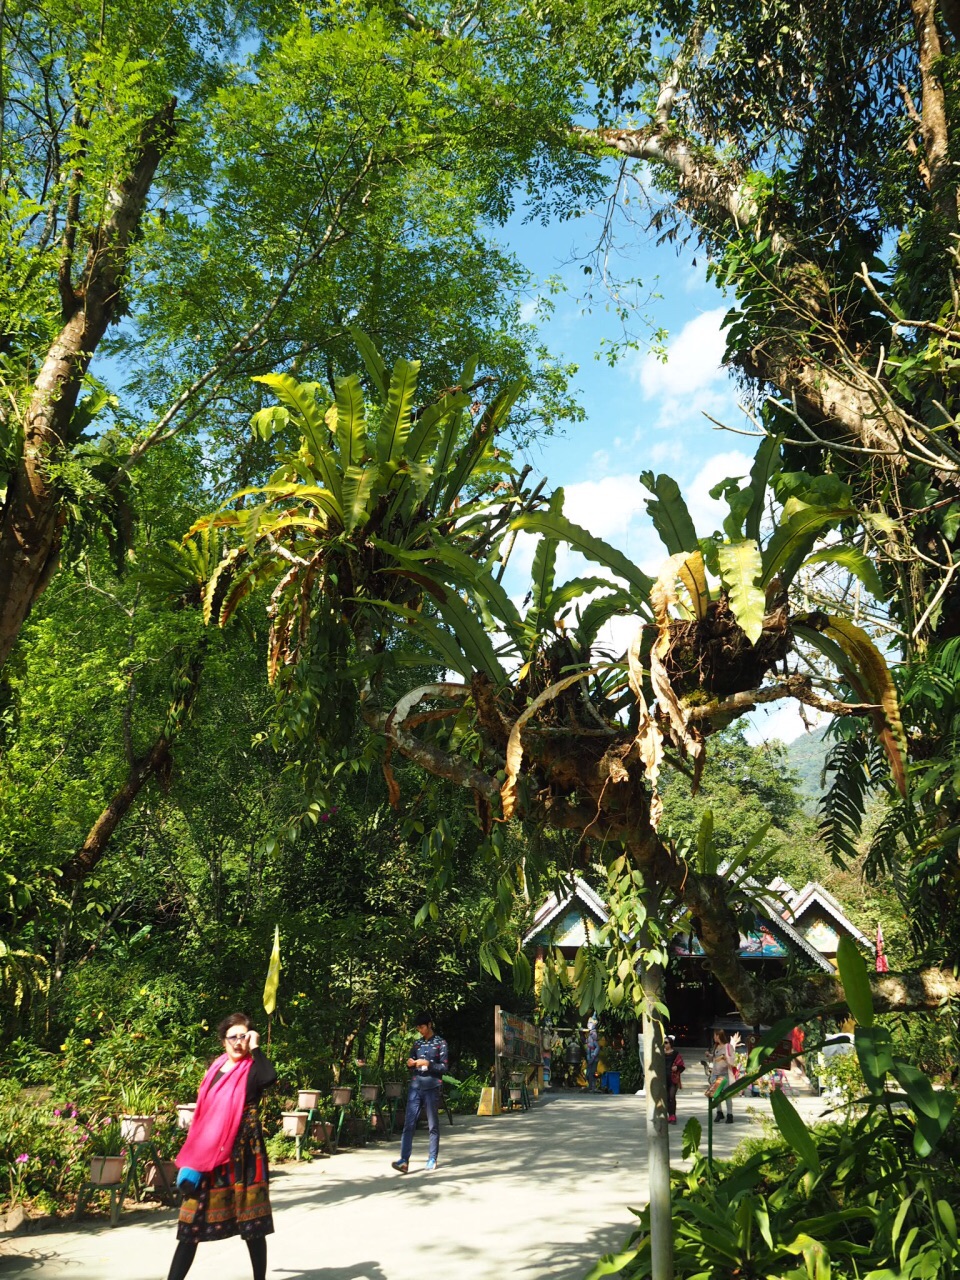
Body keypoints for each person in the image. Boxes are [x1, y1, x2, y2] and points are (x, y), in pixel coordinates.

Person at [166, 1012, 276, 1280]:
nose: (238, 1042)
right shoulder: (215, 1069)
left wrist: (257, 1046)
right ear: (223, 1041)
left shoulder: (253, 1067)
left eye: (244, 1036)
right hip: (209, 1152)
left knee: (253, 1224)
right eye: (233, 1037)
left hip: (246, 1154)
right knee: (191, 1222)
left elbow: (269, 1078)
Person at [391, 1011, 448, 1173]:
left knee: (432, 1125)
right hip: (415, 1087)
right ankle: (404, 1160)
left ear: (429, 1025)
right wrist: (410, 1063)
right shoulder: (417, 1044)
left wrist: (428, 1064)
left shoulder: (441, 1043)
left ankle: (432, 1158)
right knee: (409, 1124)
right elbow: (410, 1062)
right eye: (418, 1028)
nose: (420, 1030)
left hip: (432, 1087)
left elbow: (444, 1067)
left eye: (422, 1027)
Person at [708, 1028, 740, 1124]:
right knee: (716, 1094)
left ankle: (729, 1114)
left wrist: (726, 1058)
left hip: (725, 1074)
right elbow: (714, 1058)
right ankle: (719, 1112)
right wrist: (709, 1056)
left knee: (727, 1095)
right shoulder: (715, 1047)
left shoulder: (728, 1047)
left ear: (718, 1036)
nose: (714, 1037)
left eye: (715, 1035)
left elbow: (733, 1059)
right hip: (716, 1074)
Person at [664, 1036, 685, 1123]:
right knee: (666, 1097)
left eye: (666, 1042)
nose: (664, 1044)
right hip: (663, 1078)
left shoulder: (676, 1053)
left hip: (673, 1078)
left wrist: (677, 1067)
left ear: (670, 1044)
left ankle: (673, 1115)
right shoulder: (661, 1053)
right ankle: (669, 1115)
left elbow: (682, 1065)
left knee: (672, 1096)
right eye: (664, 1043)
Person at [585, 1017, 601, 1092]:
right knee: (588, 1073)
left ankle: (593, 1086)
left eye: (590, 1023)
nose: (589, 1025)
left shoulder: (594, 1035)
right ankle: (590, 1086)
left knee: (592, 1072)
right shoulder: (590, 1034)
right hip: (589, 1056)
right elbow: (587, 1042)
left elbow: (597, 1047)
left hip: (593, 1057)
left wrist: (593, 1056)